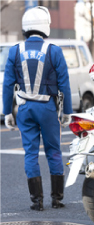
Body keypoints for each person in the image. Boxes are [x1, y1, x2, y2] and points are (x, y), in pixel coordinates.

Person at [2, 6, 73, 211]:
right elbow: (64, 84)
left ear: (26, 27)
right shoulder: (54, 50)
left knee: (30, 153)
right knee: (54, 151)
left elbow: (8, 84)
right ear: (45, 26)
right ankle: (57, 199)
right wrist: (66, 110)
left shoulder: (15, 51)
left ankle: (37, 202)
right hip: (47, 108)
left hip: (24, 108)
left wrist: (8, 111)